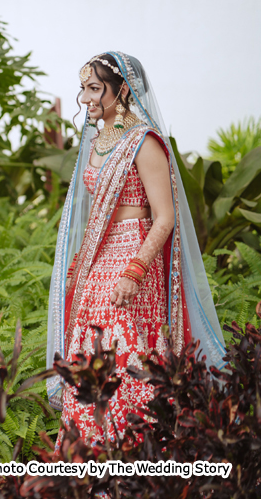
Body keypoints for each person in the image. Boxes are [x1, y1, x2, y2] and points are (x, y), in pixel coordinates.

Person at [45, 52, 226, 446]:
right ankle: (87, 455)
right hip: (101, 256)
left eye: (95, 88)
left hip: (135, 254)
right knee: (88, 349)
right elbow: (96, 210)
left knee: (126, 351)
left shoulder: (143, 142)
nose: (86, 98)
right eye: (84, 88)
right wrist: (82, 262)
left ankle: (135, 453)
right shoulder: (97, 141)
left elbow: (165, 218)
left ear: (122, 89)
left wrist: (136, 269)